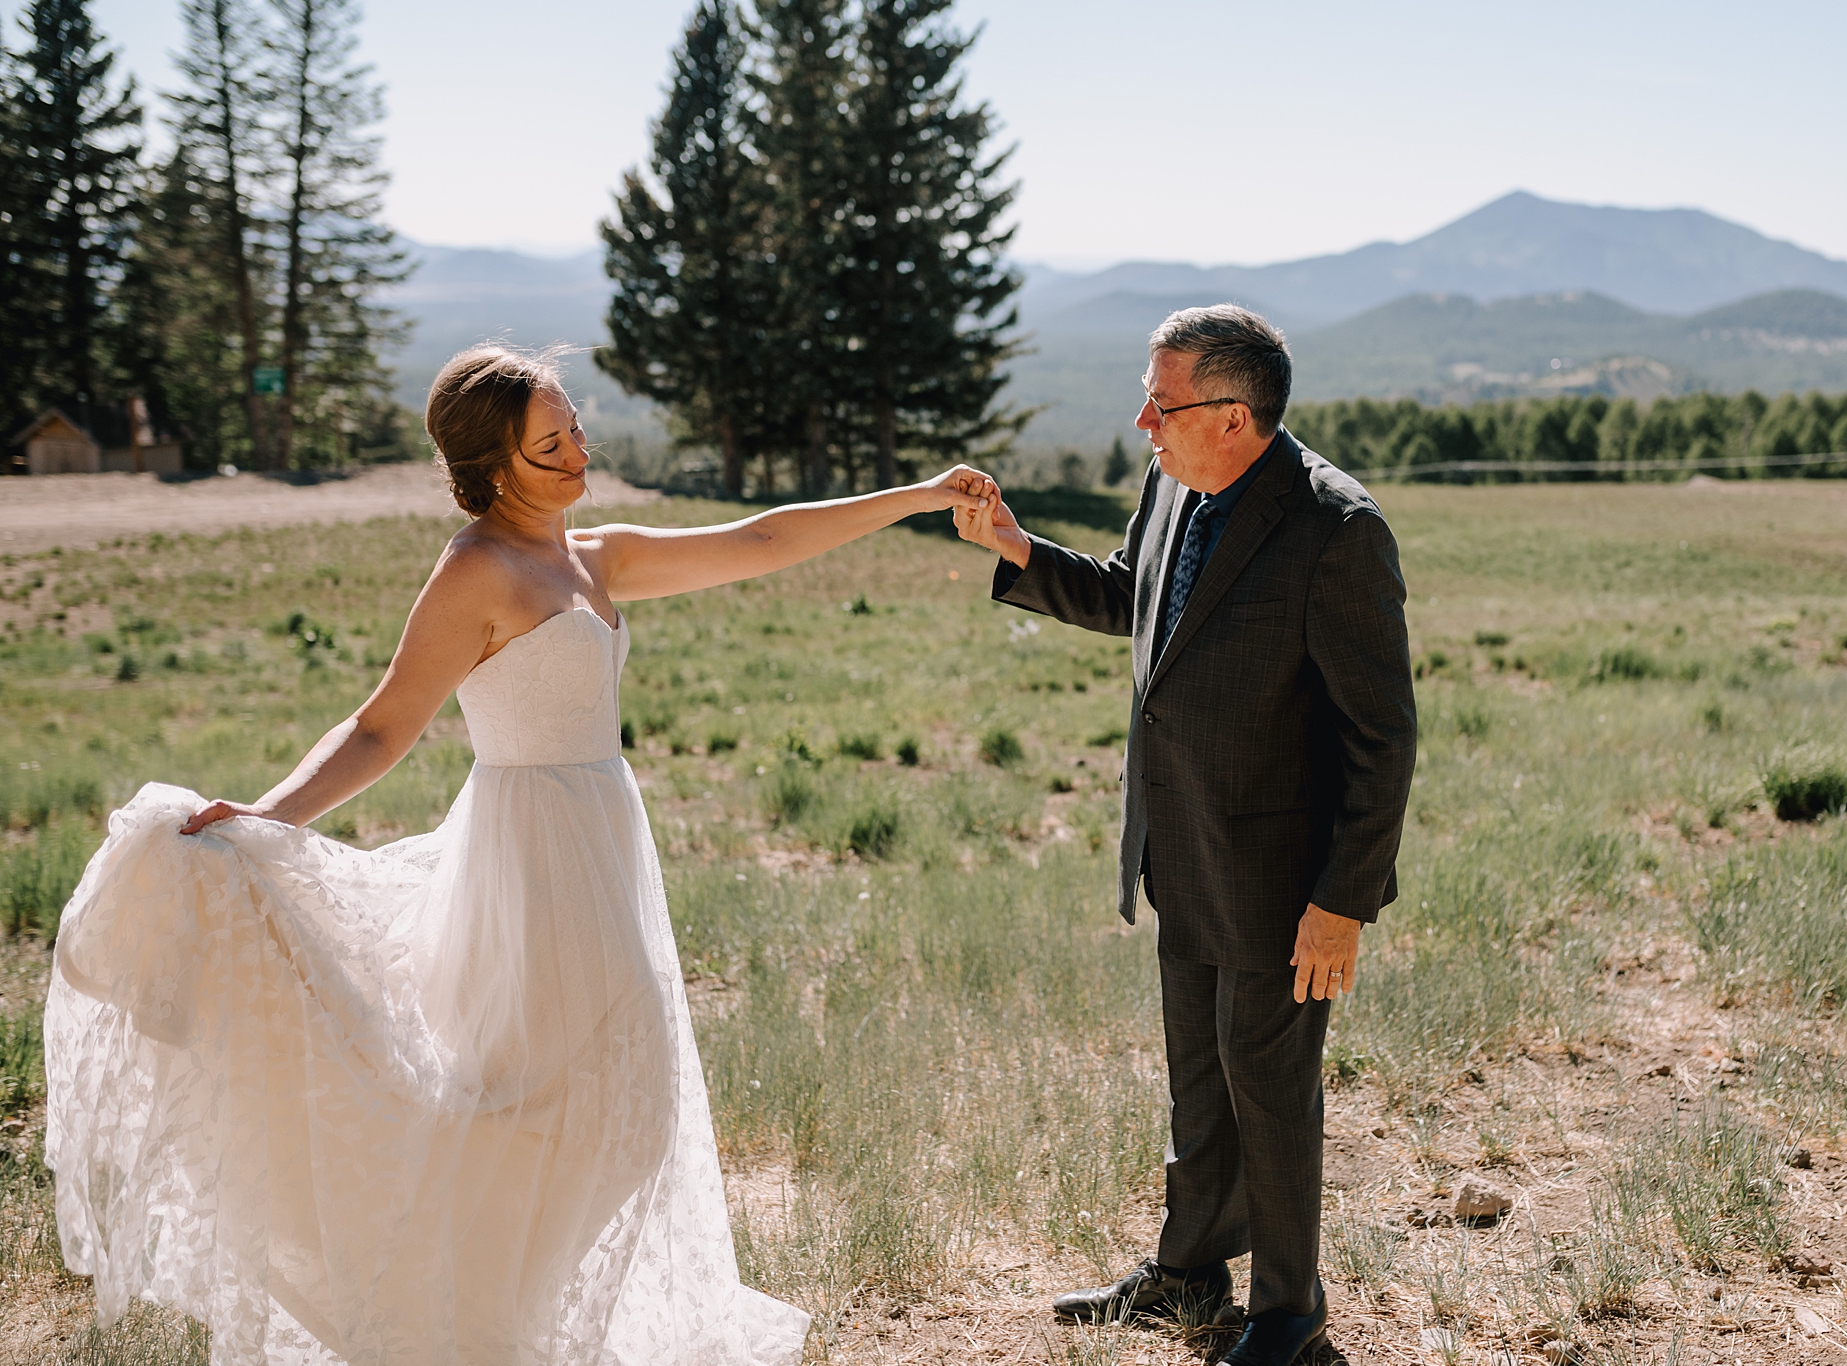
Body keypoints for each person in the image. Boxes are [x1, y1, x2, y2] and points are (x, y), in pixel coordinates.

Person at [44, 344, 995, 1366]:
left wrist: (917, 497)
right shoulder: (476, 568)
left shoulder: (596, 555)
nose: (579, 448)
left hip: (601, 837)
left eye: (574, 424)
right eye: (552, 442)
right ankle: (470, 1322)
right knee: (576, 1107)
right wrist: (272, 816)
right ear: (493, 466)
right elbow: (381, 723)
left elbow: (758, 537)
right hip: (529, 858)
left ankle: (491, 1318)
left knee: (615, 1110)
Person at [953, 306, 1416, 1366]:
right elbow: (1132, 598)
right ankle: (1189, 1271)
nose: (1140, 421)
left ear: (1235, 416)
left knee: (1270, 1092)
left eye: (1160, 403)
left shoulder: (1336, 530)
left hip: (1283, 882)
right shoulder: (1174, 484)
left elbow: (1379, 739)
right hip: (1182, 849)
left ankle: (1289, 1312)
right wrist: (1013, 547)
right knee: (1198, 1084)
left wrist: (1342, 901)